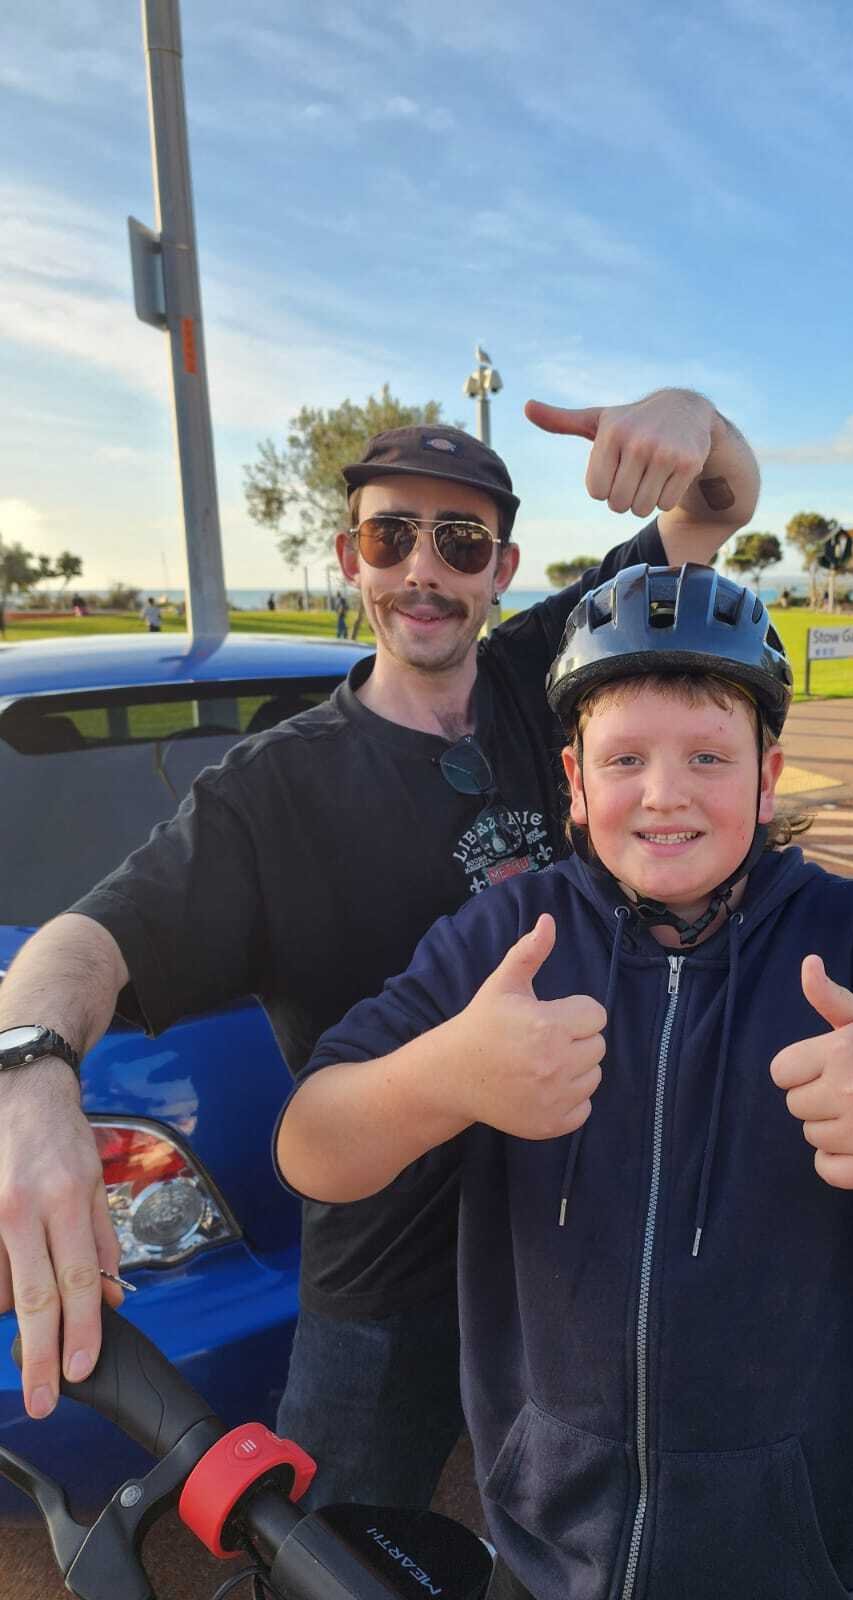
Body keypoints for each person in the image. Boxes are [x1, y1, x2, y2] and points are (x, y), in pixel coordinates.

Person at [276, 563, 853, 1600]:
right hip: (551, 1553)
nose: (667, 792)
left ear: (769, 777)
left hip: (808, 1559)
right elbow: (312, 1148)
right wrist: (443, 1075)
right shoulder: (508, 938)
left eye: (708, 755)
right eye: (627, 757)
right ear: (575, 779)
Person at [0, 389, 760, 1513]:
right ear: (348, 557)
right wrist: (28, 1072)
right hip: (385, 1282)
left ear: (500, 569)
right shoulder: (273, 790)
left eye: (458, 543)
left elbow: (719, 507)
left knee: (588, 1523)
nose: (422, 570)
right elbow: (91, 939)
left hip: (568, 1231)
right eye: (389, 534)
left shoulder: (533, 675)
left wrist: (696, 423)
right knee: (338, 1550)